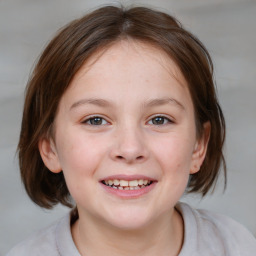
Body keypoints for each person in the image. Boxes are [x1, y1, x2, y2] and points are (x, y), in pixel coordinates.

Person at [6, 5, 256, 256]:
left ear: (199, 145)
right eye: (95, 120)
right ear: (50, 148)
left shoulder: (239, 247)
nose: (130, 149)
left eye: (159, 120)